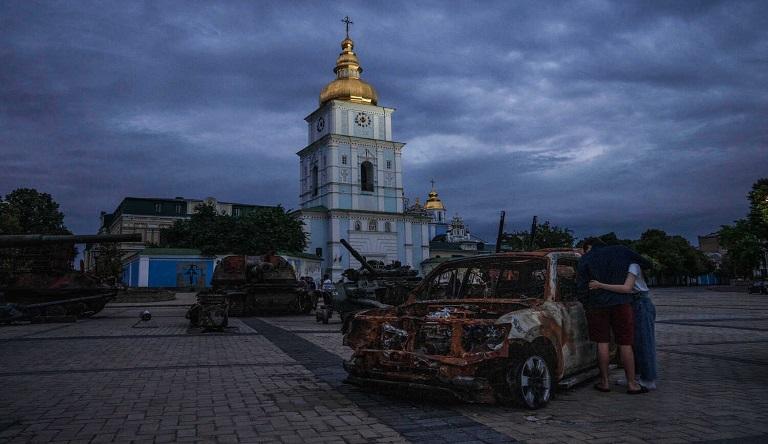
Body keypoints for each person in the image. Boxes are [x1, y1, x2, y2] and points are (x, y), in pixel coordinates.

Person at [577, 237, 651, 394]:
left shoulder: (586, 258)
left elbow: (581, 286)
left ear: (588, 247)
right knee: (625, 343)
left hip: (598, 305)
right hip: (622, 303)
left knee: (602, 343)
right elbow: (646, 263)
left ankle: (604, 382)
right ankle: (632, 384)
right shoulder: (621, 250)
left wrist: (587, 303)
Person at [589, 262, 657, 390]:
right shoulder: (619, 266)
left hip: (639, 302)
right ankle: (634, 377)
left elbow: (626, 288)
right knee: (632, 343)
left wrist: (600, 285)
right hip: (628, 302)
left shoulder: (632, 266)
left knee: (644, 342)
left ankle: (648, 378)